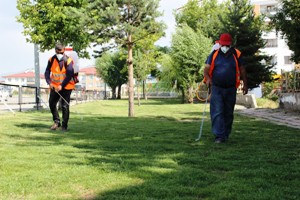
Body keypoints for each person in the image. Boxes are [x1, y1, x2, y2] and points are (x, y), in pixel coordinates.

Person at [204, 33, 248, 143]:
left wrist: (245, 85)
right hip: (217, 88)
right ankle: (219, 136)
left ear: (230, 44)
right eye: (223, 44)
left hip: (231, 88)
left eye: (227, 45)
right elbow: (206, 69)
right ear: (220, 43)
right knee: (217, 112)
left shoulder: (236, 54)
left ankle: (226, 134)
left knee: (228, 113)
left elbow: (242, 69)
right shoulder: (214, 54)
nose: (225, 47)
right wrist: (208, 79)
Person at [44, 42, 75, 132]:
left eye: (61, 52)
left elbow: (69, 75)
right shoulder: (51, 60)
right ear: (55, 51)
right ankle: (57, 122)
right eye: (58, 52)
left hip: (67, 86)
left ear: (64, 50)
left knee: (64, 106)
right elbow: (47, 72)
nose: (59, 54)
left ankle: (64, 126)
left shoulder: (68, 60)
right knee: (52, 103)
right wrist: (49, 82)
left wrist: (62, 85)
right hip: (54, 86)